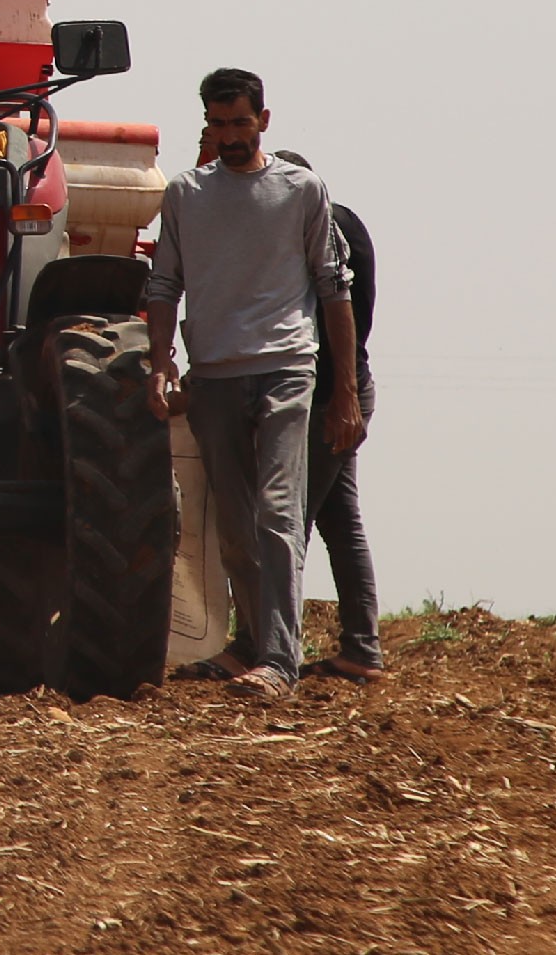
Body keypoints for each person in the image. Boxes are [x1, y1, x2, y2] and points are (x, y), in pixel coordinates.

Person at [144, 68, 364, 702]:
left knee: (276, 510)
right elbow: (164, 285)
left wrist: (344, 391)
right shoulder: (186, 193)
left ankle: (279, 660)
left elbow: (333, 290)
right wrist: (163, 362)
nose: (231, 135)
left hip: (286, 369)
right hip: (215, 374)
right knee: (235, 525)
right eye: (218, 124)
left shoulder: (301, 191)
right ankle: (250, 642)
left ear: (264, 120)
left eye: (241, 122)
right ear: (206, 125)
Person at [274, 150, 381, 680]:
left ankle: (272, 650)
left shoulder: (316, 234)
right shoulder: (348, 224)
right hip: (350, 386)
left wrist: (341, 398)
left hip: (327, 396)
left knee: (288, 519)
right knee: (339, 519)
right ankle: (361, 648)